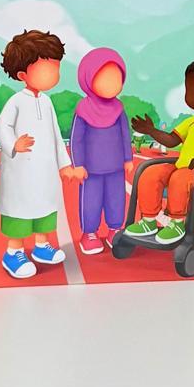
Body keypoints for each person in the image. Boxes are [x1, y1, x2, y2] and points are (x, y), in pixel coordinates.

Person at [0, 28, 83, 279]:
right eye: (47, 68)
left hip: (45, 172)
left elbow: (56, 136)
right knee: (20, 212)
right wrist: (14, 144)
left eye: (56, 67)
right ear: (23, 74)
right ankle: (13, 252)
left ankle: (42, 246)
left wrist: (64, 165)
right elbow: (2, 126)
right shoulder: (16, 101)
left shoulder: (47, 102)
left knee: (45, 207)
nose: (54, 73)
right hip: (21, 172)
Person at [127, 58, 194, 246]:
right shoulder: (191, 122)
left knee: (180, 178)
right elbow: (171, 140)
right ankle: (148, 220)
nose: (191, 95)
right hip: (182, 168)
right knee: (151, 173)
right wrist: (151, 131)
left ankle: (177, 223)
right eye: (189, 89)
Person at [69, 47, 133, 254]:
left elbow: (125, 134)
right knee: (91, 200)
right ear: (88, 78)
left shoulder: (119, 109)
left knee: (116, 199)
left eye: (116, 78)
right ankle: (89, 233)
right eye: (105, 78)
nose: (112, 84)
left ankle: (115, 229)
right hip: (91, 169)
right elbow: (76, 139)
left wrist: (128, 158)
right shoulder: (83, 110)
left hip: (116, 167)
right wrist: (78, 164)